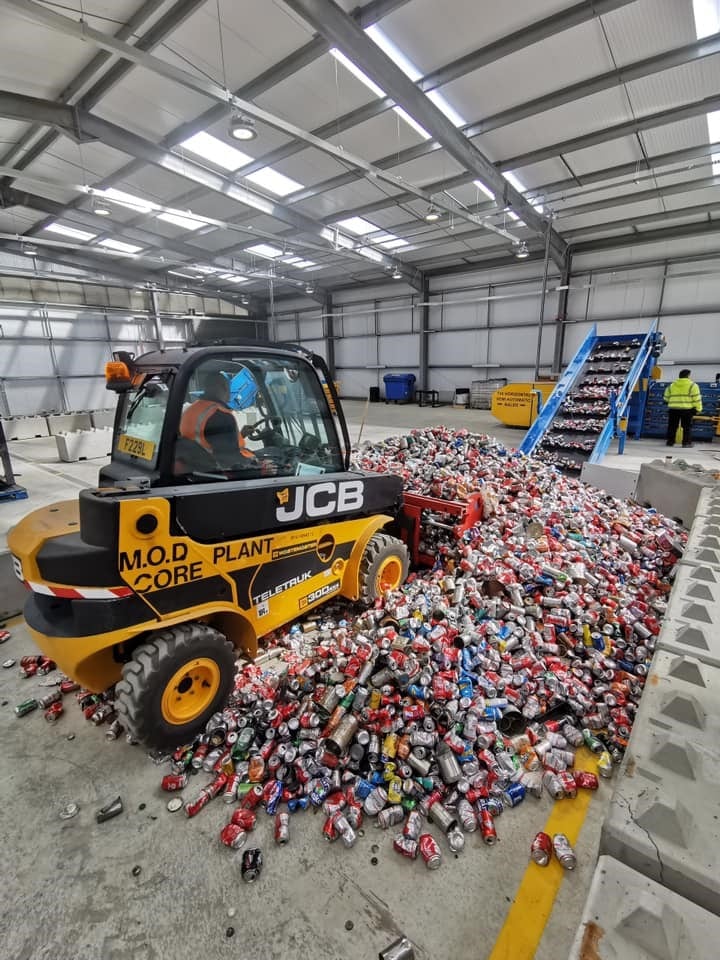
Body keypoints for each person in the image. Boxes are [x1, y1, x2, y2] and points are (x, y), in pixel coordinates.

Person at [180, 371, 253, 462]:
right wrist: (255, 464)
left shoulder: (191, 409)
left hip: (197, 463)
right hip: (215, 467)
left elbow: (210, 439)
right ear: (224, 388)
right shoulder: (220, 415)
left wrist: (240, 435)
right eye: (229, 388)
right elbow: (229, 458)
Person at [664, 368, 702, 448]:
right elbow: (697, 399)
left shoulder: (671, 385)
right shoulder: (693, 385)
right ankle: (686, 443)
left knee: (672, 426)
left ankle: (670, 442)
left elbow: (666, 398)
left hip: (673, 409)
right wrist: (698, 409)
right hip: (687, 410)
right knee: (687, 427)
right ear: (688, 376)